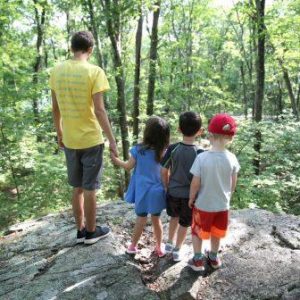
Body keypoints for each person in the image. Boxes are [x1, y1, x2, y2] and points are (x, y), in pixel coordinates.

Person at [50, 31, 118, 245]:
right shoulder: (95, 72)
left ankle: (79, 230)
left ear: (72, 48)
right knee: (90, 188)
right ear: (90, 50)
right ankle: (91, 232)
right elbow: (99, 111)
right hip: (90, 139)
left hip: (69, 140)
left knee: (77, 188)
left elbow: (55, 107)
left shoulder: (56, 71)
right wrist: (112, 139)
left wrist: (59, 132)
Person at [111, 116, 170, 257]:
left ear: (147, 132)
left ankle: (132, 246)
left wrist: (116, 160)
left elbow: (128, 167)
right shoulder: (165, 152)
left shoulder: (138, 150)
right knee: (156, 220)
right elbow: (167, 173)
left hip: (142, 192)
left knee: (141, 219)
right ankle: (159, 248)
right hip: (157, 191)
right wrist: (168, 188)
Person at [188, 113, 240, 271]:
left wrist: (191, 197)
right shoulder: (232, 158)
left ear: (210, 136)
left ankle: (197, 260)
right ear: (230, 138)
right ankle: (213, 257)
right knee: (216, 233)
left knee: (197, 232)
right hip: (222, 205)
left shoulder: (202, 158)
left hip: (203, 205)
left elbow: (195, 183)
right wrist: (228, 195)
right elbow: (233, 182)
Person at [161, 112, 203, 261]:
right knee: (184, 223)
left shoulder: (172, 148)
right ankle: (177, 250)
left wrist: (166, 186)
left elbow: (164, 170)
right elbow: (200, 178)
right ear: (200, 131)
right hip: (189, 196)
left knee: (173, 218)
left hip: (173, 192)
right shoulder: (200, 153)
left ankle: (169, 244)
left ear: (179, 129)